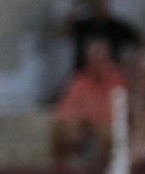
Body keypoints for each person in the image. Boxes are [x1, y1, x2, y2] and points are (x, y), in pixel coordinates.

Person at [49, 37, 126, 167]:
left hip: (107, 126)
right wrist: (79, 120)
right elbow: (66, 108)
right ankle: (62, 173)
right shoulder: (80, 81)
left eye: (100, 55)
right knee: (61, 128)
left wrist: (91, 119)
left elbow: (116, 111)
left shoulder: (116, 79)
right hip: (85, 127)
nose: (97, 60)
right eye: (94, 55)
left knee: (107, 132)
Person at [58, 0, 143, 72]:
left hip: (109, 79)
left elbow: (142, 42)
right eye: (94, 0)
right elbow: (61, 33)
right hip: (83, 76)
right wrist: (75, 7)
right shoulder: (82, 25)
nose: (98, 3)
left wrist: (131, 65)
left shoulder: (117, 27)